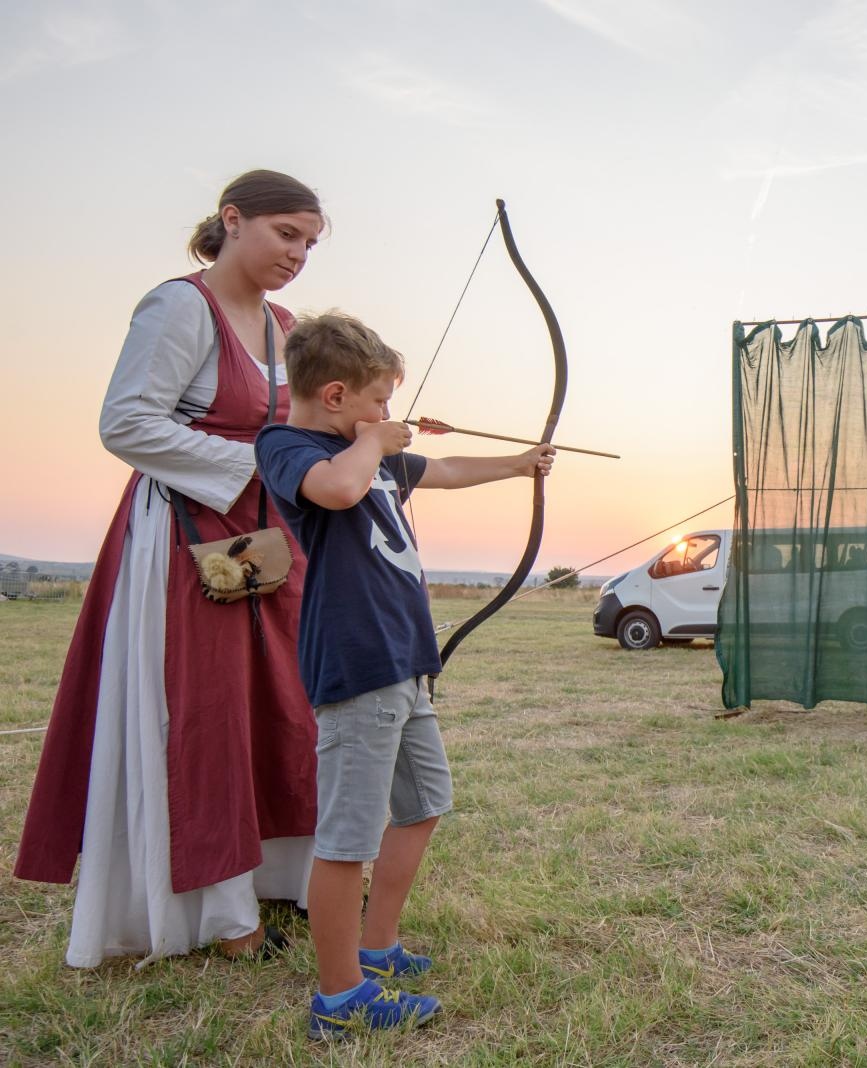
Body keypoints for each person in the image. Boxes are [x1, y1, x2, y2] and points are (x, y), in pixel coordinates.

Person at [14, 170, 326, 966]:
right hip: (183, 539)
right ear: (233, 219)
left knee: (278, 710)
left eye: (310, 243)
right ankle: (217, 919)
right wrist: (255, 463)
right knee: (207, 713)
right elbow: (126, 422)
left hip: (264, 542)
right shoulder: (180, 305)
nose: (298, 253)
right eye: (287, 233)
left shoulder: (286, 323)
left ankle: (271, 887)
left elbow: (300, 425)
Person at [253, 312, 555, 1038]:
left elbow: (445, 471)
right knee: (347, 836)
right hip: (358, 662)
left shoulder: (372, 452)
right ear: (333, 396)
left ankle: (376, 945)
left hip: (404, 660)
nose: (390, 415)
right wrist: (372, 439)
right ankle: (339, 998)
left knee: (422, 803)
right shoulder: (290, 446)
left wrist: (519, 464)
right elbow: (333, 492)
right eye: (379, 400)